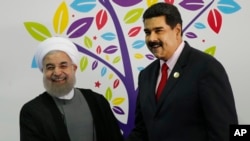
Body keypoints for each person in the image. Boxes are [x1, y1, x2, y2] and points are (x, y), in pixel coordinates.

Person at [126, 2, 238, 141]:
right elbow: (142, 131)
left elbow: (226, 131)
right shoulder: (146, 75)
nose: (152, 38)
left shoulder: (207, 68)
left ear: (177, 31)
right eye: (147, 32)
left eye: (158, 30)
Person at [19, 37, 124, 141]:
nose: (57, 72)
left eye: (63, 66)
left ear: (74, 68)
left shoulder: (97, 101)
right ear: (43, 71)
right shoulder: (32, 112)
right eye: (50, 67)